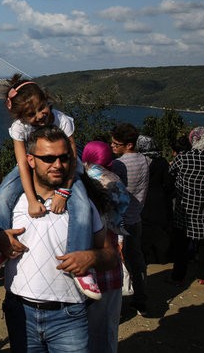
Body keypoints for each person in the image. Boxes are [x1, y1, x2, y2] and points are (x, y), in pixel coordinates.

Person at [0, 126, 116, 353]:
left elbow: (111, 256)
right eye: (48, 158)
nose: (58, 165)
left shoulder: (83, 204)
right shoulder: (12, 202)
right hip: (20, 313)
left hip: (69, 315)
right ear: (30, 160)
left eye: (63, 158)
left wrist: (90, 256)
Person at [0, 73, 101, 300]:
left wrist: (64, 191)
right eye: (30, 115)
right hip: (34, 166)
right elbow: (23, 164)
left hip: (68, 169)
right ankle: (1, 245)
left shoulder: (62, 120)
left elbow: (71, 159)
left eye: (42, 108)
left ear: (47, 100)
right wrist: (31, 199)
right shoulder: (19, 128)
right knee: (1, 195)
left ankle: (81, 267)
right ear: (21, 116)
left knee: (82, 206)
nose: (39, 116)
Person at [81, 141, 128, 353]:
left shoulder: (85, 181)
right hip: (112, 263)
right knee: (109, 324)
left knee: (87, 327)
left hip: (88, 262)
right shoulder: (116, 181)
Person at [110, 123, 150, 316]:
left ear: (129, 145)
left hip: (121, 222)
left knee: (118, 263)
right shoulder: (144, 159)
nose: (112, 146)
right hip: (136, 218)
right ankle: (141, 299)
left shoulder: (119, 165)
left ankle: (118, 304)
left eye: (117, 144)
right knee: (136, 259)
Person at [169, 127, 204, 286]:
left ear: (193, 139)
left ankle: (178, 276)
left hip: (185, 206)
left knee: (181, 243)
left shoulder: (183, 158)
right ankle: (202, 275)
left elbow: (171, 173)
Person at [136, 135, 174, 264]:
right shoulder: (161, 161)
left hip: (142, 198)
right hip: (159, 198)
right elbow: (168, 182)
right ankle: (162, 257)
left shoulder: (138, 161)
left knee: (145, 230)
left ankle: (147, 256)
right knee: (159, 230)